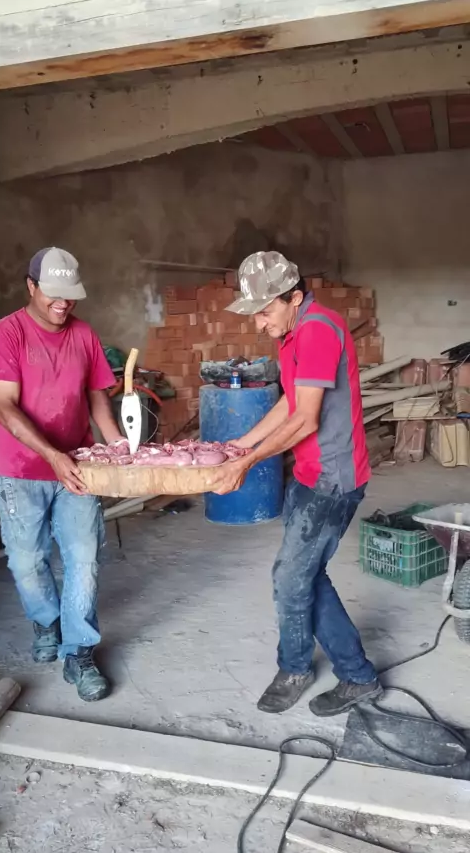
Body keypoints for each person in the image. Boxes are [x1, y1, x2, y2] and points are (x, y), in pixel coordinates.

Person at [211, 251, 382, 717]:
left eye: (265, 311)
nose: (259, 323)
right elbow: (292, 400)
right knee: (305, 574)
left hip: (332, 478)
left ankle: (297, 668)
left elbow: (306, 419)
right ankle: (358, 675)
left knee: (290, 578)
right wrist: (243, 444)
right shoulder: (292, 333)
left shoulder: (317, 329)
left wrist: (248, 464)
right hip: (309, 473)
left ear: (294, 297)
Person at [0, 247, 122, 702]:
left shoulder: (84, 334)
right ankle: (47, 621)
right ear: (31, 287)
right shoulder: (5, 334)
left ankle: (79, 652)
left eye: (70, 295)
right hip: (19, 470)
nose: (63, 303)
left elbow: (97, 395)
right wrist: (50, 455)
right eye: (53, 294)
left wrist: (116, 444)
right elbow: (4, 405)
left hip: (78, 464)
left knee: (83, 559)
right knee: (26, 561)